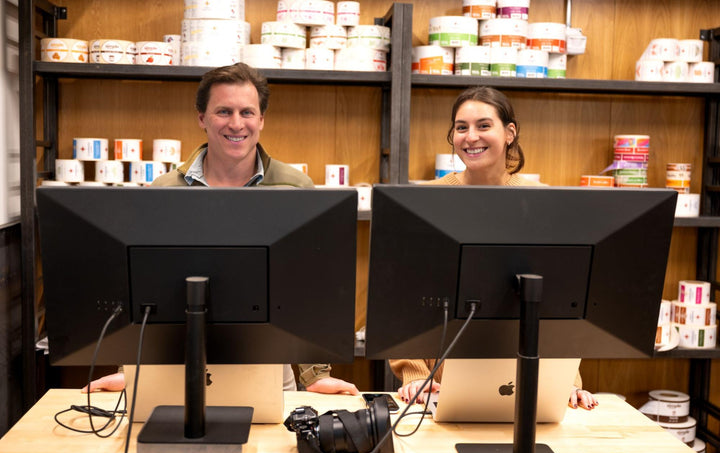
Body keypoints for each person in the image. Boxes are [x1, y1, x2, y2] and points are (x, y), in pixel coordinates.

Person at [82, 62, 358, 396]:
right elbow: (143, 291)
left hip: (268, 366)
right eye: (223, 111)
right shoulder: (164, 191)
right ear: (201, 118)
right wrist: (130, 370)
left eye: (247, 112)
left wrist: (314, 375)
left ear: (262, 120)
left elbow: (311, 286)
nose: (236, 123)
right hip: (175, 364)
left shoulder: (294, 188)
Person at [389, 86, 598, 410]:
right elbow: (403, 292)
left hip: (527, 382)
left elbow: (561, 300)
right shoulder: (426, 201)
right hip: (436, 386)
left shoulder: (543, 203)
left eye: (483, 125)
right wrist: (415, 373)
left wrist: (567, 380)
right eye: (461, 127)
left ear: (510, 133)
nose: (470, 137)